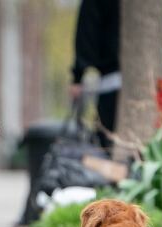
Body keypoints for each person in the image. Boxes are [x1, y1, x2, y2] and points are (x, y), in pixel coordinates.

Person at [70, 0, 120, 150]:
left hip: (111, 79)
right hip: (118, 77)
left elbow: (86, 31)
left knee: (107, 142)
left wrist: (77, 76)